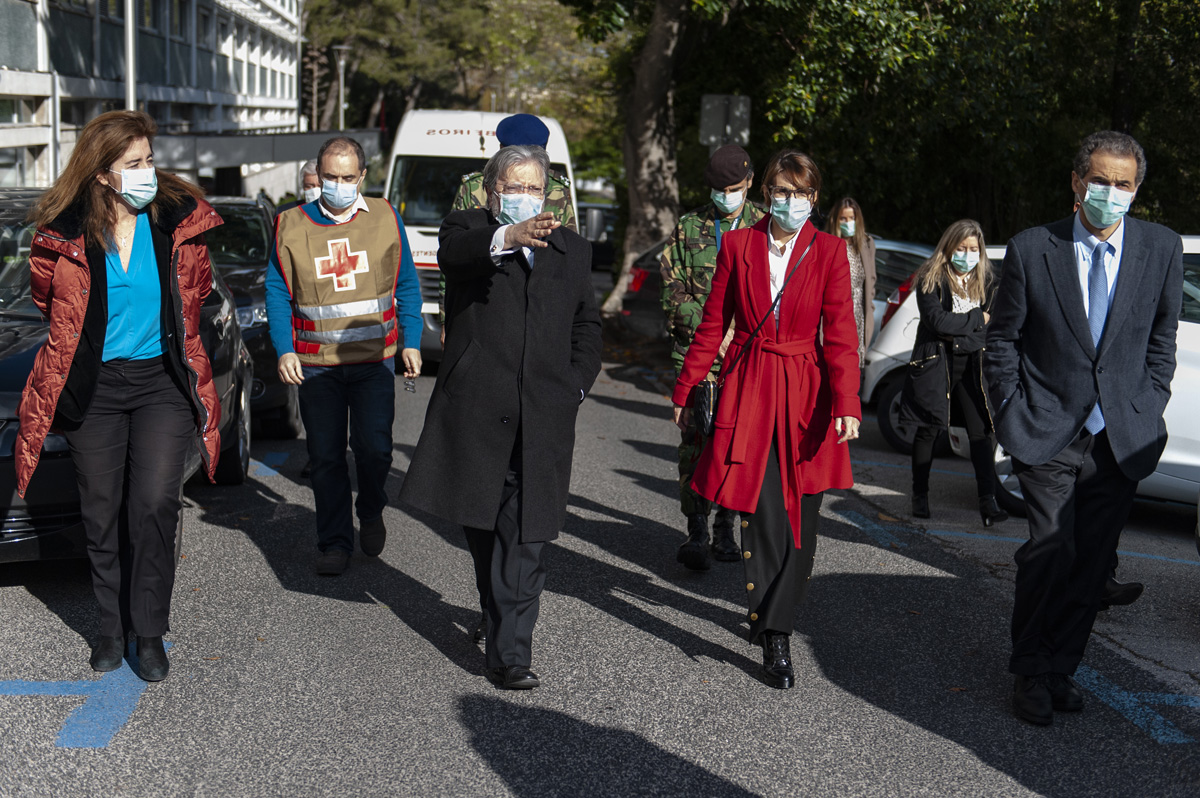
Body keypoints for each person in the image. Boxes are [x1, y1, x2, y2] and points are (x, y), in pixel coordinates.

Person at [15, 110, 224, 682]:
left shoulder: (177, 222)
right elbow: (49, 303)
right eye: (133, 163)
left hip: (162, 383)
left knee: (154, 503)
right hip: (97, 388)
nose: (147, 170)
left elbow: (198, 292)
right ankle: (110, 627)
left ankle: (148, 631)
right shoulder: (62, 231)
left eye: (149, 159)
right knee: (101, 509)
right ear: (102, 172)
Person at [984, 131, 1183, 726]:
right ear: (1077, 182)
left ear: (1136, 190)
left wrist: (1150, 401)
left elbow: (1163, 338)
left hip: (1121, 436)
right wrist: (1010, 410)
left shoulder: (1161, 247)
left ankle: (1059, 667)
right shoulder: (1032, 247)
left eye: (1123, 184)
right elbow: (1003, 341)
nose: (1111, 193)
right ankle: (1029, 669)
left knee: (1092, 562)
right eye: (1100, 181)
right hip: (1046, 429)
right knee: (1051, 549)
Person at [400, 145, 602, 690]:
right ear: (492, 192)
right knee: (485, 532)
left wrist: (575, 385)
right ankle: (496, 617)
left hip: (545, 416)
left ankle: (510, 656)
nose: (526, 197)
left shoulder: (573, 250)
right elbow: (454, 257)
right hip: (478, 410)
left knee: (528, 537)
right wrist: (508, 237)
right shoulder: (465, 229)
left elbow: (587, 326)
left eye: (535, 188)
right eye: (514, 187)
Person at [671, 150, 861, 690]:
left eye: (800, 194)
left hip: (807, 394)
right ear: (766, 194)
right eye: (781, 192)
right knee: (765, 509)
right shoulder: (738, 245)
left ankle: (774, 617)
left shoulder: (830, 251)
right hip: (751, 385)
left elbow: (841, 335)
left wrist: (848, 402)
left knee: (803, 518)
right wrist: (686, 387)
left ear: (814, 199)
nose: (789, 202)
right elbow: (713, 325)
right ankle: (775, 634)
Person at [265, 136, 423, 576]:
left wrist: (411, 341)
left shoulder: (386, 217)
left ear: (362, 176)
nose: (338, 185)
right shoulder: (290, 224)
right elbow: (277, 291)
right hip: (317, 367)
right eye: (330, 177)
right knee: (326, 457)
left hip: (374, 362)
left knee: (375, 450)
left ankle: (370, 508)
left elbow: (407, 283)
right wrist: (284, 350)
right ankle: (334, 542)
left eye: (347, 177)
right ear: (318, 175)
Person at [660, 145, 765, 571]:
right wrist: (713, 332)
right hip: (697, 354)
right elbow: (672, 292)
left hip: (748, 355)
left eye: (733, 188)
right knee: (696, 440)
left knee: (738, 442)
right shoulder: (690, 227)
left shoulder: (767, 227)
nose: (725, 195)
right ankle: (697, 528)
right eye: (718, 189)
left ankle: (726, 526)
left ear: (749, 183)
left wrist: (738, 332)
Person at [898, 219, 1007, 527]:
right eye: (961, 248)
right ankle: (920, 494)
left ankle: (988, 502)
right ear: (948, 247)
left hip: (972, 364)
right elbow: (937, 322)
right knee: (929, 429)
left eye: (973, 249)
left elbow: (993, 326)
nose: (967, 255)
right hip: (937, 362)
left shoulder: (987, 281)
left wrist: (962, 329)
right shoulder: (931, 277)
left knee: (981, 431)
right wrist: (977, 319)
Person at [438, 113, 577, 331]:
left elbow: (570, 257)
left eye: (535, 189)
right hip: (481, 301)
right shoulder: (477, 187)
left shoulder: (557, 190)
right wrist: (447, 318)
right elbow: (455, 251)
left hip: (538, 306)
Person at [826, 197, 877, 362]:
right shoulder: (827, 243)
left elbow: (871, 281)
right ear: (836, 220)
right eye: (843, 218)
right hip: (835, 319)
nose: (848, 223)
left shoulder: (867, 244)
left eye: (851, 218)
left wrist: (869, 310)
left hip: (858, 320)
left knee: (854, 369)